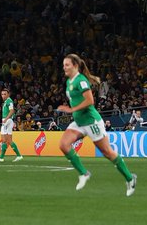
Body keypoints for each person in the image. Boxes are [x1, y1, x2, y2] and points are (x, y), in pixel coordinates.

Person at [57, 54, 135, 196]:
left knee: (107, 153)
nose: (64, 68)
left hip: (92, 122)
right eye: (63, 65)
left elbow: (90, 101)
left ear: (75, 65)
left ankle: (130, 178)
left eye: (67, 65)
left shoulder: (81, 81)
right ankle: (83, 173)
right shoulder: (69, 82)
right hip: (79, 122)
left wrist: (71, 110)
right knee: (63, 144)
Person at [0, 87, 23, 162]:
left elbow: (12, 111)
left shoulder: (9, 101)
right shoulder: (7, 101)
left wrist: (6, 119)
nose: (3, 95)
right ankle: (2, 157)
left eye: (4, 94)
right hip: (7, 121)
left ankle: (18, 155)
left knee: (6, 140)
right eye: (2, 94)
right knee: (6, 140)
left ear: (8, 94)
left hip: (7, 121)